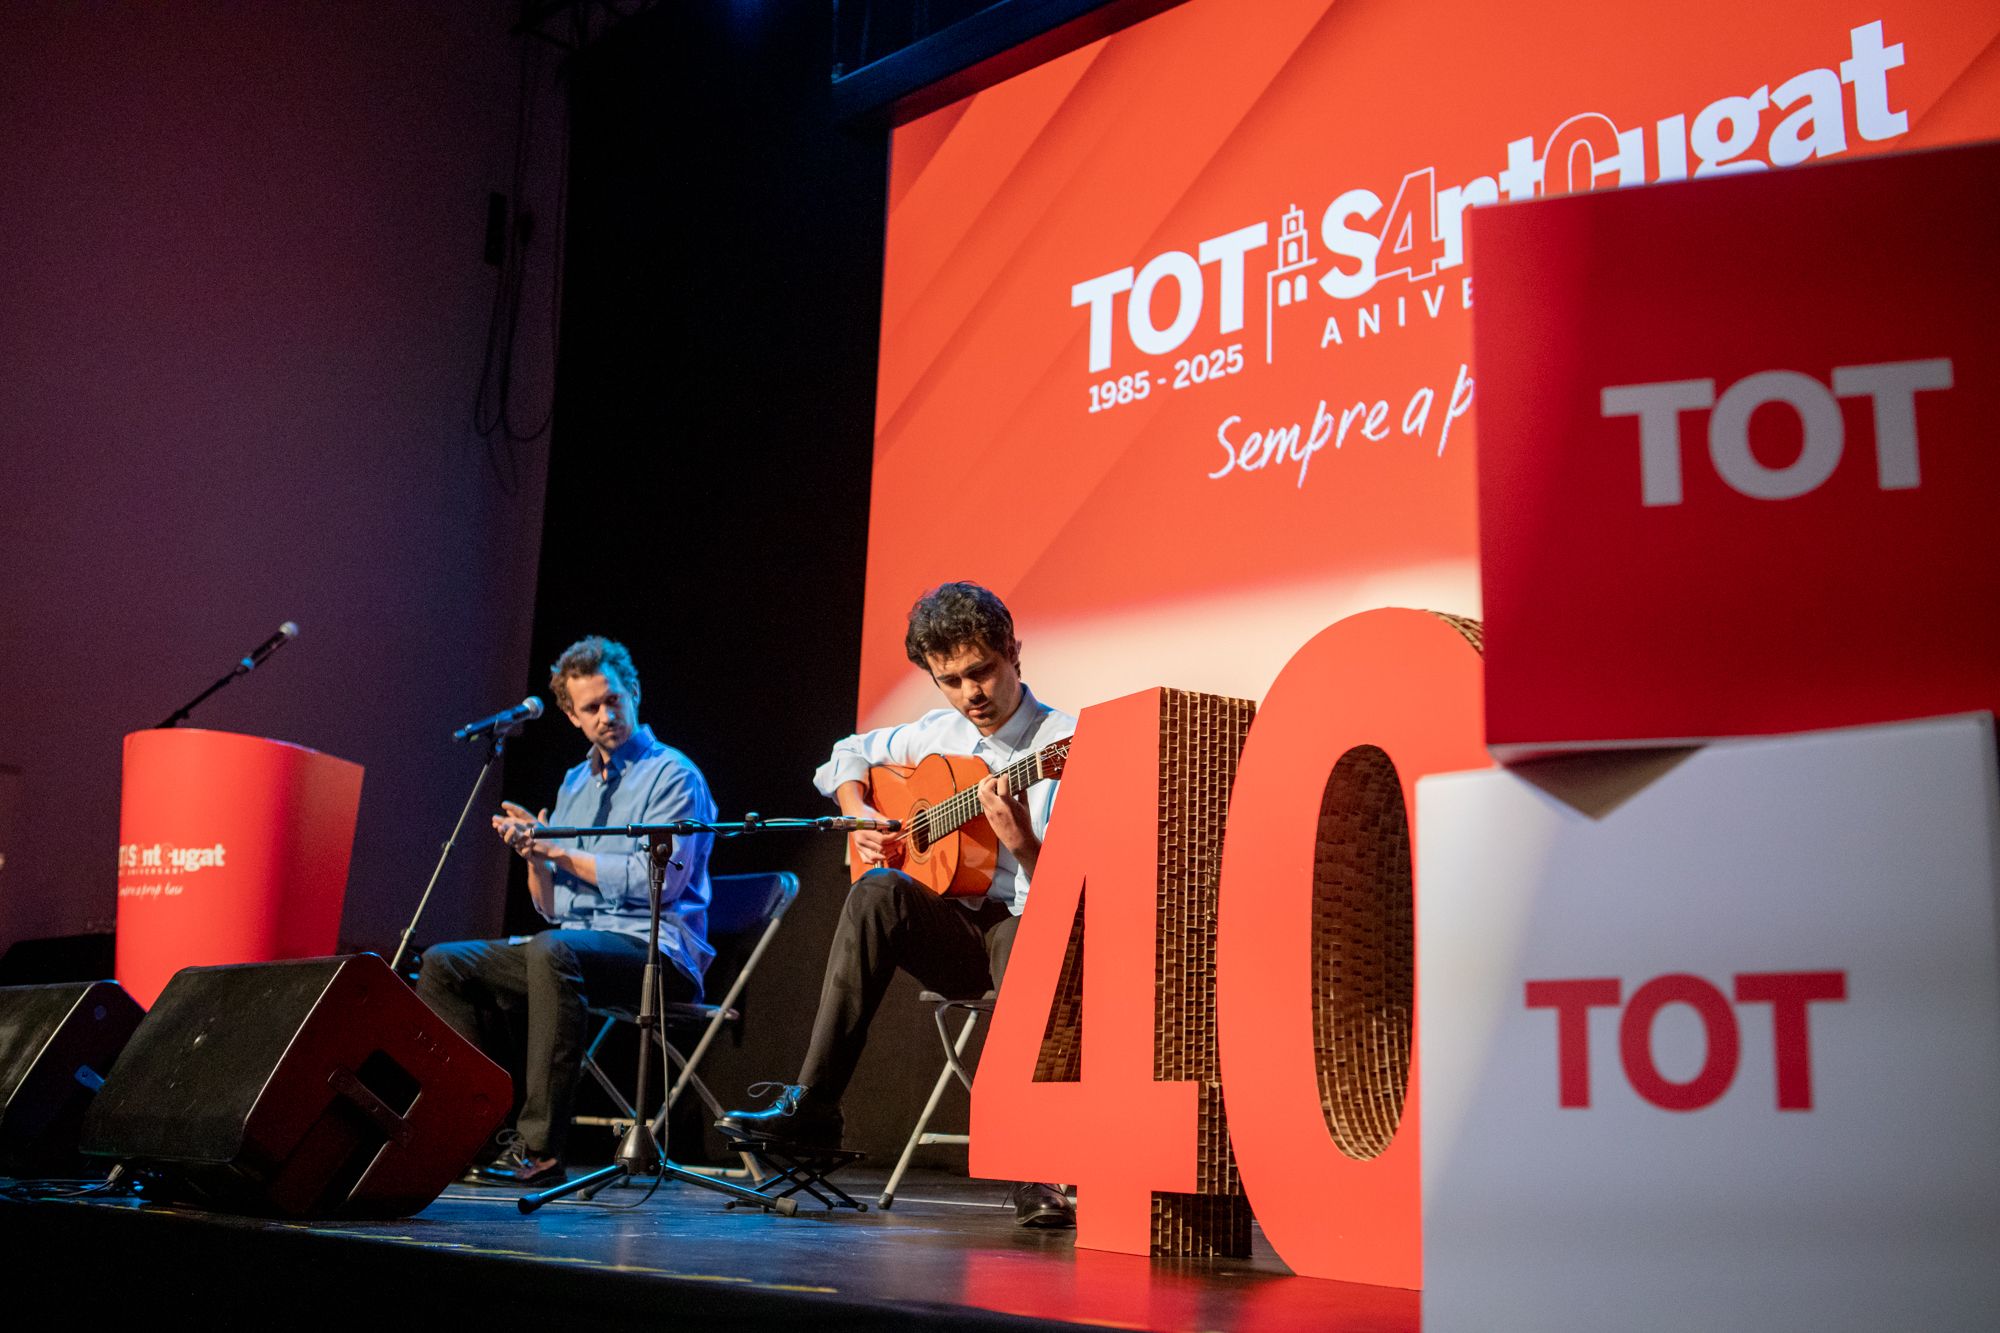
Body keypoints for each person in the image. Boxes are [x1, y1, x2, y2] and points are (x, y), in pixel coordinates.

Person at [716, 582, 1078, 1227]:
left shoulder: (1061, 742)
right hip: (955, 929)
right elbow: (845, 756)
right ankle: (814, 1109)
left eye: (983, 672)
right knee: (876, 889)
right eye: (952, 680)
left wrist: (1024, 845)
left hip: (1035, 920)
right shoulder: (939, 733)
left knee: (1026, 938)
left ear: (1014, 654)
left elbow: (1076, 888)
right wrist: (861, 814)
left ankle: (1036, 1165)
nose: (972, 694)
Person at [416, 636, 716, 1187]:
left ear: (635, 693)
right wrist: (536, 857)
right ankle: (479, 1134)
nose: (607, 716)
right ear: (571, 716)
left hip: (657, 952)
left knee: (552, 953)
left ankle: (541, 1149)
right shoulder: (575, 784)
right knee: (443, 963)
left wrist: (557, 849)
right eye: (592, 708)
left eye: (614, 700)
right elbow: (554, 911)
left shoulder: (673, 776)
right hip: (574, 949)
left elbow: (663, 886)